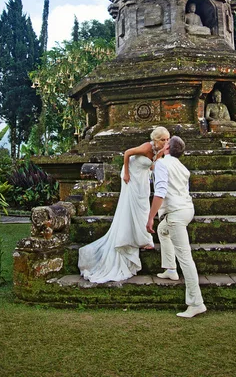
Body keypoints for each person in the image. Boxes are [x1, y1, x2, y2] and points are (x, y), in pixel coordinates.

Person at [78, 126, 170, 283]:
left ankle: (143, 238)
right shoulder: (146, 146)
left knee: (143, 206)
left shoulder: (160, 151)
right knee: (131, 206)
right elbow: (127, 153)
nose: (166, 142)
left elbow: (153, 165)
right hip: (131, 176)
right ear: (155, 140)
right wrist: (126, 172)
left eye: (168, 139)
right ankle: (130, 238)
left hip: (142, 177)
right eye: (163, 140)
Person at [146, 135, 206, 318]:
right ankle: (170, 268)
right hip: (186, 210)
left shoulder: (164, 164)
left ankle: (196, 303)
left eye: (166, 143)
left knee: (185, 257)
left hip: (176, 214)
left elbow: (160, 192)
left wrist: (150, 218)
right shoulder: (182, 167)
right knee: (163, 231)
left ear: (167, 149)